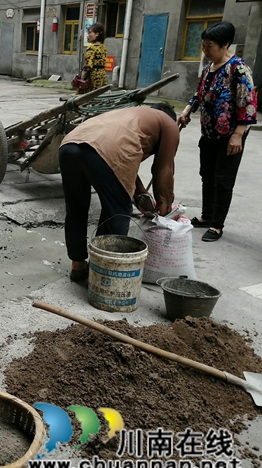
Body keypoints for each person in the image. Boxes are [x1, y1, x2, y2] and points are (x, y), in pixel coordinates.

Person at [59, 104, 179, 282]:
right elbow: (164, 169)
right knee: (118, 210)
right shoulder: (169, 124)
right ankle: (103, 271)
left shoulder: (131, 114)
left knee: (76, 208)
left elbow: (121, 162)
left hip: (69, 145)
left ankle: (78, 265)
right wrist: (165, 204)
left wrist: (141, 193)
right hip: (102, 150)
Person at [177, 21, 257, 242]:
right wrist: (186, 111)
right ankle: (206, 216)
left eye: (209, 46)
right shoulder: (208, 69)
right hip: (209, 133)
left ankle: (217, 225)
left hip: (229, 136)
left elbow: (248, 104)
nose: (205, 50)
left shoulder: (238, 69)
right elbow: (198, 94)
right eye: (203, 45)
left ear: (225, 45)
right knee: (207, 176)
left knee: (223, 179)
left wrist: (238, 135)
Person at [78, 22, 107, 94]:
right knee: (99, 94)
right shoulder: (103, 47)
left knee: (85, 96)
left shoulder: (92, 47)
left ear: (97, 34)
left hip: (93, 76)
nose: (88, 35)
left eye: (90, 33)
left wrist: (83, 78)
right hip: (102, 74)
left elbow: (88, 66)